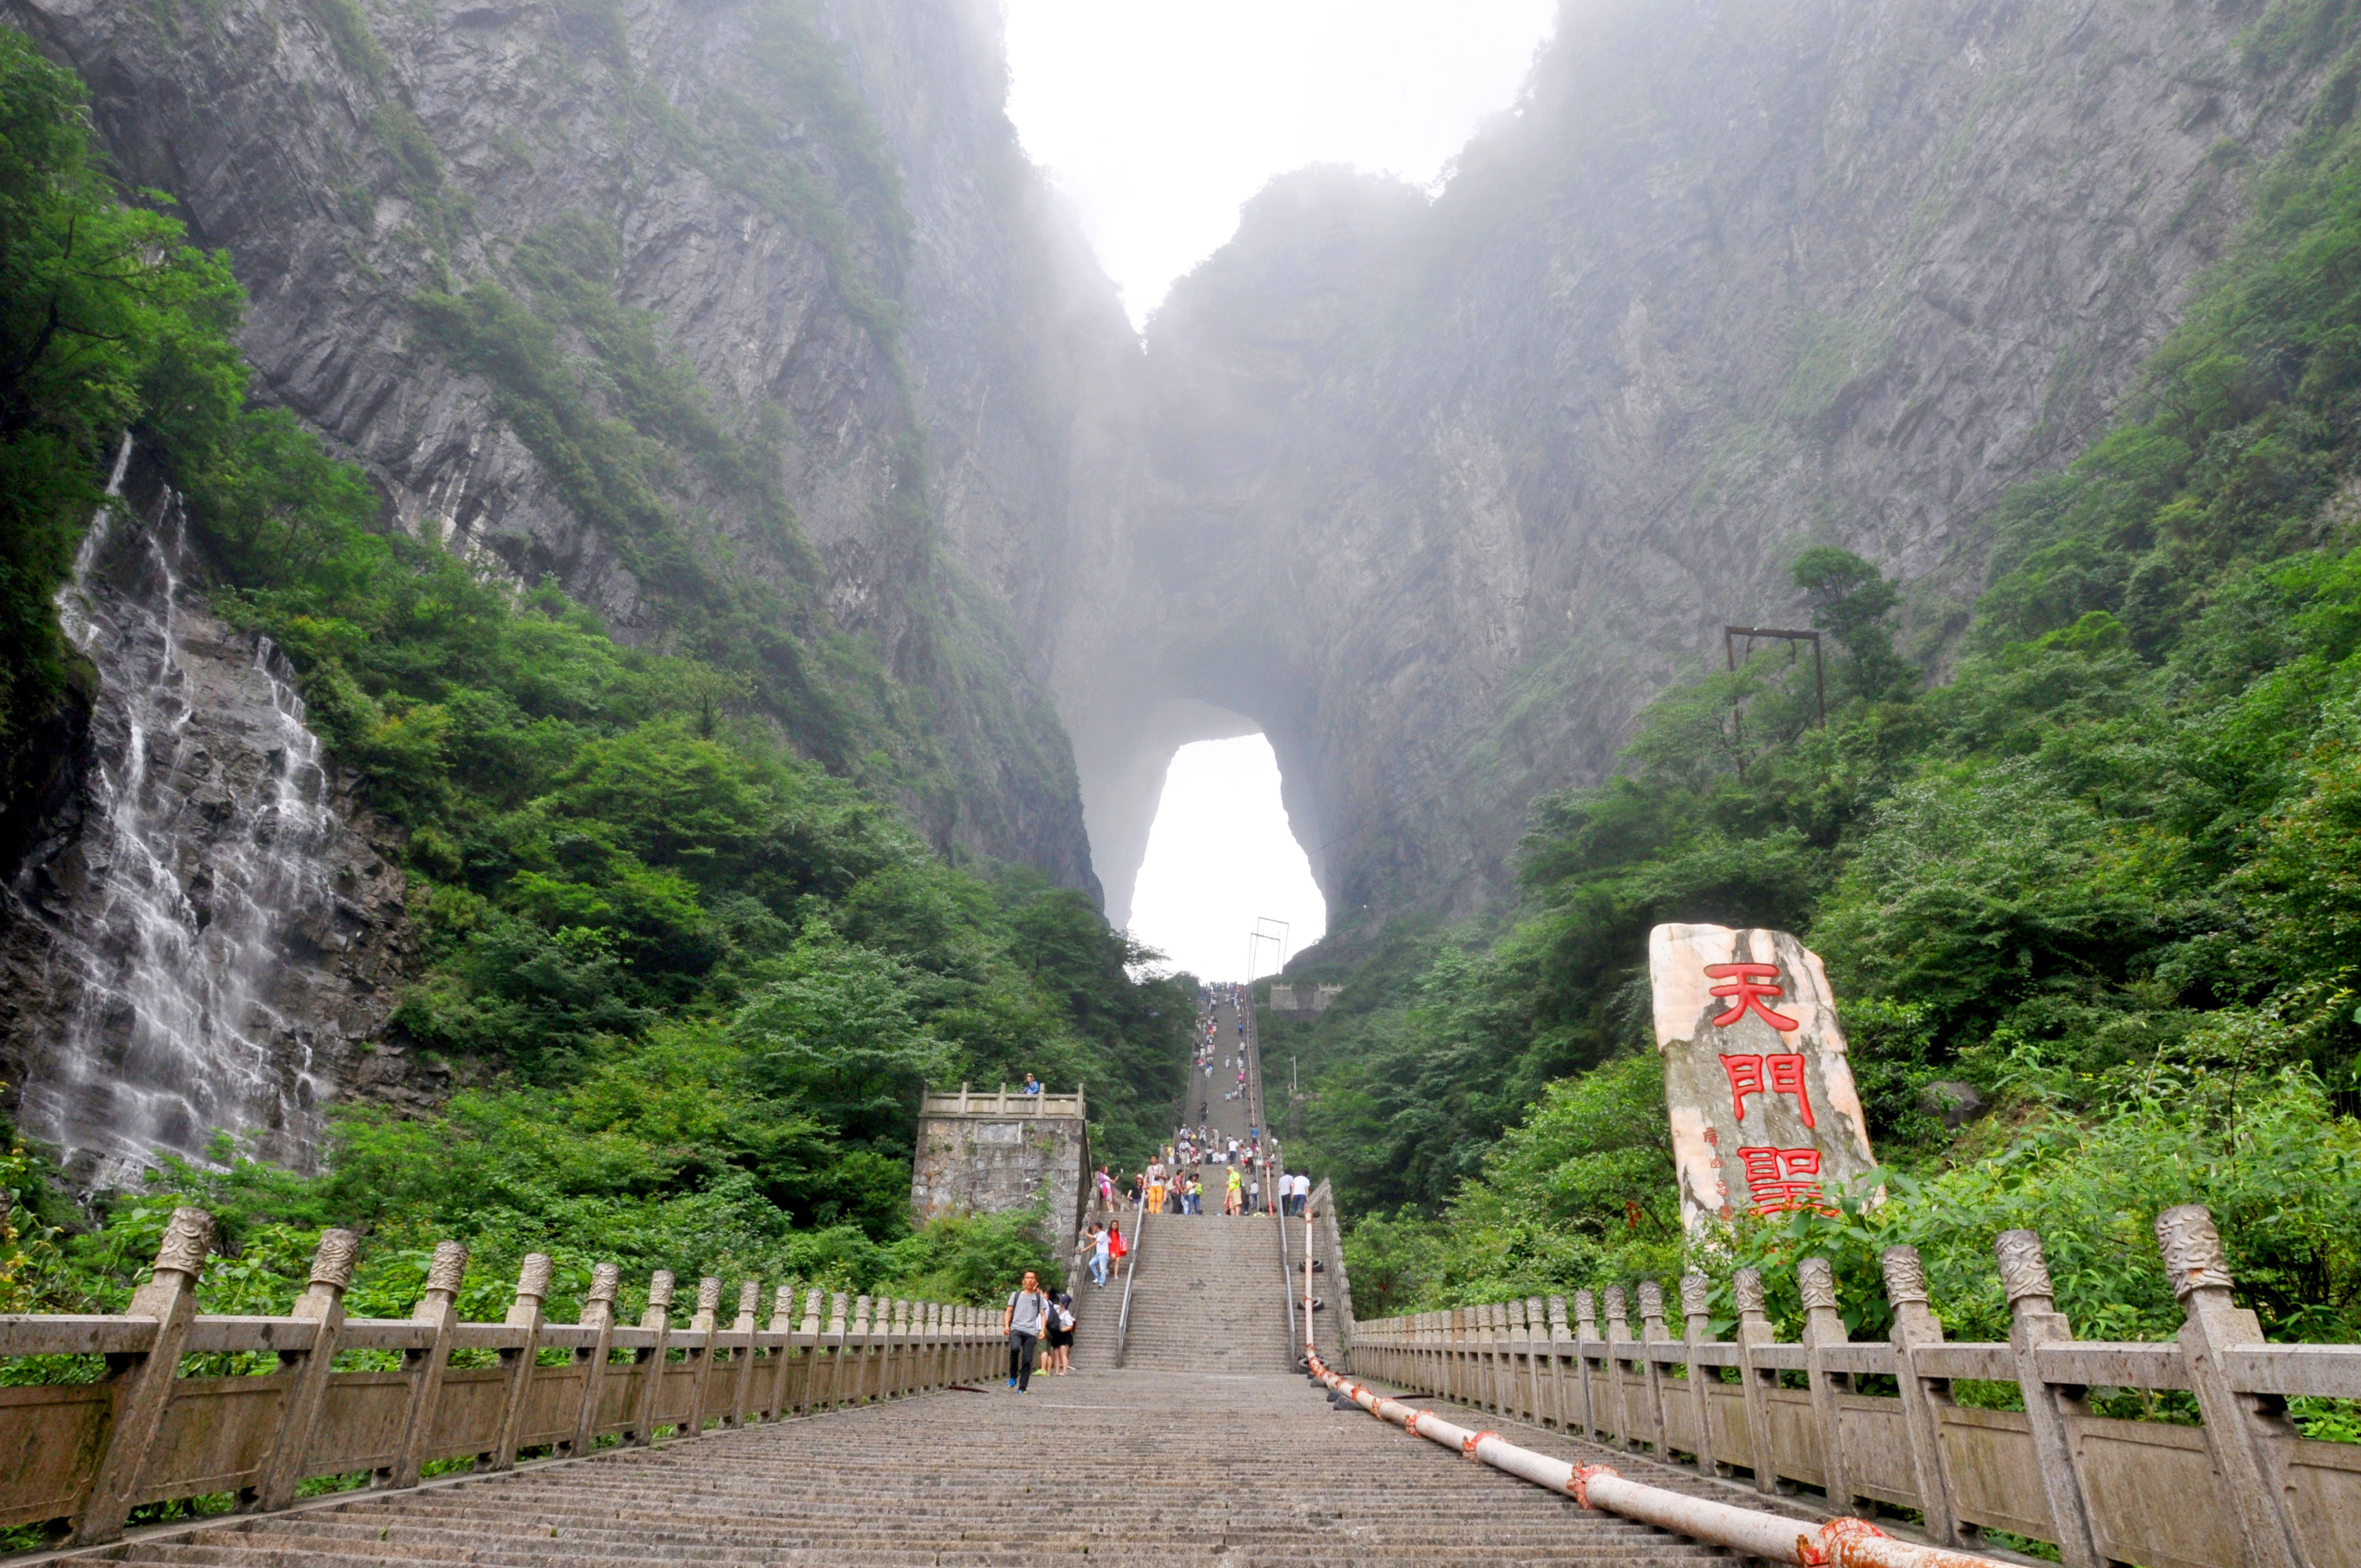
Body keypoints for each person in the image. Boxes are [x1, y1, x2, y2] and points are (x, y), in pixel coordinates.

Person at [1003, 1270, 1051, 1391]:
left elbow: (1043, 1315)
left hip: (1030, 1332)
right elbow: (1009, 1311)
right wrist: (1006, 1325)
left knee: (1027, 1359)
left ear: (1035, 1281)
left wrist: (1042, 1330)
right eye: (1028, 1278)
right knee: (1014, 1349)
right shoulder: (1016, 1295)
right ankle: (1013, 1376)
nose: (1030, 1280)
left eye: (1033, 1278)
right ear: (1023, 1281)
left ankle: (1023, 1387)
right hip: (1016, 1329)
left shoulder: (1039, 1298)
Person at [1047, 1292, 1075, 1374]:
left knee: (1063, 1353)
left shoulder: (1067, 1315)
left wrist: (1062, 1330)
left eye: (1061, 1301)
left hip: (1065, 1335)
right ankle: (1057, 1371)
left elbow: (1070, 1325)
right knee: (1056, 1354)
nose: (1059, 1302)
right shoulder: (1057, 1310)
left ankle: (1065, 1371)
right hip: (1057, 1335)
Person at [1089, 1222, 1111, 1287]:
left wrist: (1087, 1248)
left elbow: (1096, 1242)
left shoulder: (1102, 1234)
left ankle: (1102, 1283)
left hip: (1104, 1254)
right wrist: (1085, 1233)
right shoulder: (1098, 1234)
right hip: (1098, 1254)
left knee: (1102, 1269)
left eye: (1094, 1226)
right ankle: (1098, 1278)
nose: (1094, 1228)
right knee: (1091, 1264)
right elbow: (1092, 1237)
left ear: (1097, 1227)